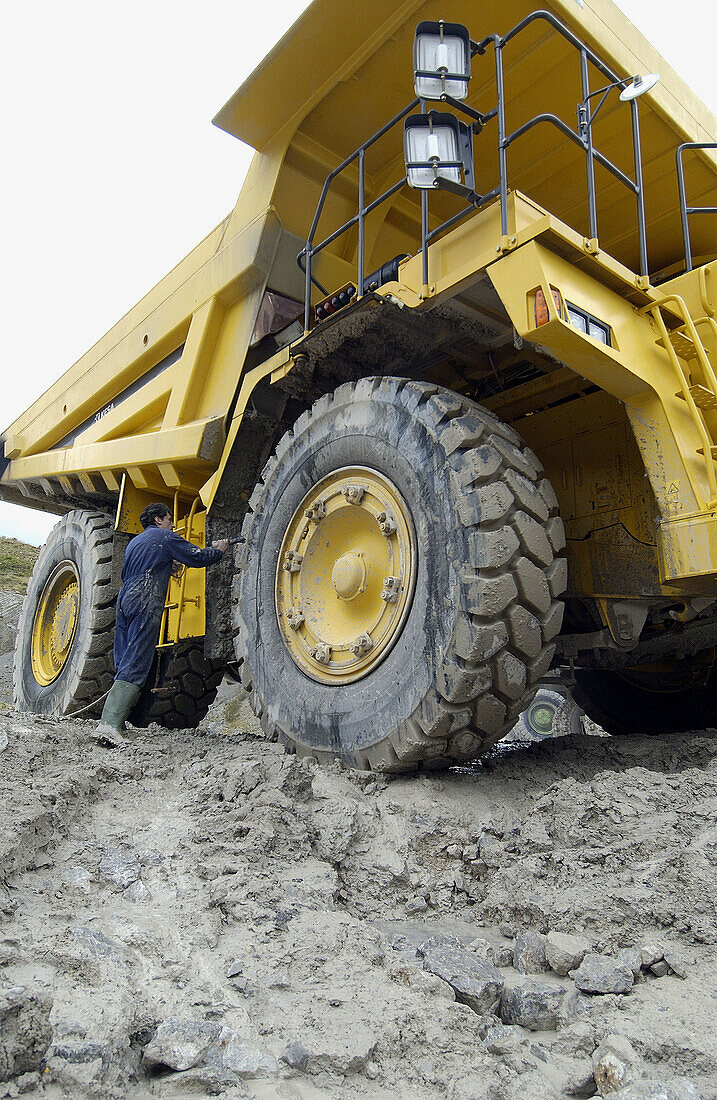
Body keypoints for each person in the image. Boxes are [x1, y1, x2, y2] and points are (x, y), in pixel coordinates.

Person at [93, 502, 228, 746]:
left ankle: (115, 722)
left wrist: (167, 564)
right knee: (138, 657)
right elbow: (197, 558)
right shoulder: (165, 537)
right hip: (146, 596)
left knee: (124, 656)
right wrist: (218, 550)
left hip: (126, 597)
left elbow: (137, 568)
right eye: (168, 519)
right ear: (158, 520)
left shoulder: (136, 542)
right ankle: (109, 725)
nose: (172, 524)